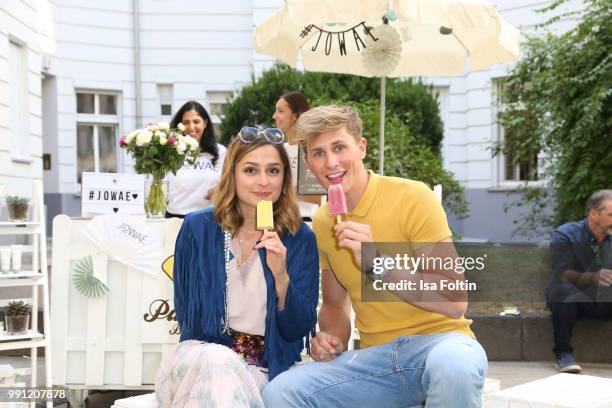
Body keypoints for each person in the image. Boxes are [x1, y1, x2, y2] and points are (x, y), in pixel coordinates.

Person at [263, 105, 487, 408]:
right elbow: (334, 306)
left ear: (362, 148)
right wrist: (330, 338)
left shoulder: (412, 198)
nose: (330, 162)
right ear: (309, 163)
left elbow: (455, 300)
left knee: (454, 367)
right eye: (318, 153)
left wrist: (378, 263)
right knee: (281, 392)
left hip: (443, 344)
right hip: (378, 362)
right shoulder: (325, 220)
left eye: (339, 147)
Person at [155, 127, 320, 407]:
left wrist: (281, 276)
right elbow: (188, 317)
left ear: (284, 177)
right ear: (232, 174)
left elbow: (298, 329)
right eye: (251, 170)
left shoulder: (300, 238)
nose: (264, 182)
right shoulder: (198, 229)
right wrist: (230, 360)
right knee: (218, 362)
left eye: (273, 170)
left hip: (266, 371)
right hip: (198, 364)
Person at [545, 189, 612, 374]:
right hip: (572, 297)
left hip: (603, 299)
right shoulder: (566, 234)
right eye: (611, 215)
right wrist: (594, 277)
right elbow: (563, 274)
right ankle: (563, 354)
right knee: (563, 291)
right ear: (593, 213)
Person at [165, 100, 227, 218]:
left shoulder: (220, 152)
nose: (191, 127)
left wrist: (221, 188)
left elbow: (231, 182)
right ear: (180, 125)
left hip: (209, 218)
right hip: (175, 218)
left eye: (196, 121)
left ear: (205, 123)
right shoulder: (170, 152)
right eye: (186, 122)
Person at [273, 91, 321, 218]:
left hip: (307, 223)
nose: (274, 116)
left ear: (295, 115)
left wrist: (283, 191)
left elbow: (321, 196)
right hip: (282, 222)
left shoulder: (312, 150)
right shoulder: (280, 150)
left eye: (280, 111)